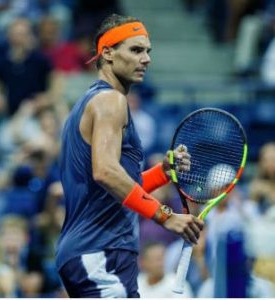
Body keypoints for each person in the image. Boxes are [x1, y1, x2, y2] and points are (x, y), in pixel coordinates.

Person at [56, 13, 204, 298]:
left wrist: (162, 173)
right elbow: (107, 173)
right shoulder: (111, 101)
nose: (146, 58)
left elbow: (113, 189)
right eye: (136, 50)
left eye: (148, 51)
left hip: (95, 251)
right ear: (108, 53)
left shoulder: (92, 103)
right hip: (100, 251)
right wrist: (165, 216)